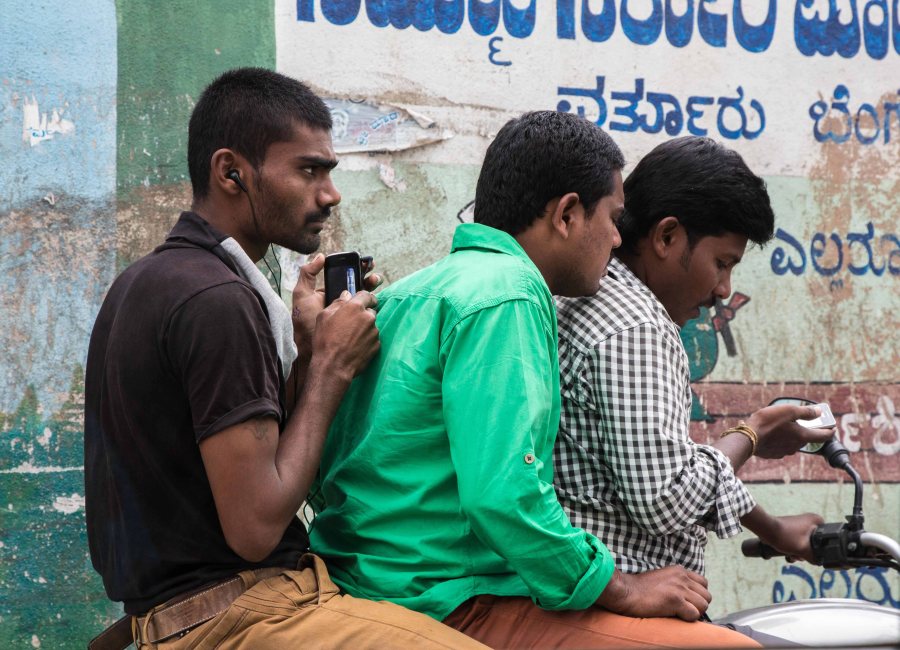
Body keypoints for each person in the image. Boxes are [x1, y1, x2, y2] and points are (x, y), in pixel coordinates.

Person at [309, 112, 760, 648]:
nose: (618, 238)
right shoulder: (510, 295)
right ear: (567, 214)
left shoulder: (410, 292)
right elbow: (504, 498)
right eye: (613, 218)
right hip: (452, 598)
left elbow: (330, 471)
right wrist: (622, 588)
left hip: (364, 583)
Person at [84, 67, 485, 650]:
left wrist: (307, 350)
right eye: (308, 170)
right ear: (231, 172)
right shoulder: (216, 300)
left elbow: (241, 466)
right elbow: (254, 528)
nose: (330, 193)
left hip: (192, 612)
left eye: (330, 171)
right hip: (240, 616)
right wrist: (331, 368)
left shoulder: (149, 280)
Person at [553, 136, 833, 642]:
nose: (723, 289)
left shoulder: (595, 294)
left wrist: (771, 526)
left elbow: (659, 460)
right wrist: (750, 432)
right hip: (617, 608)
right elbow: (667, 496)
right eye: (722, 263)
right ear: (667, 237)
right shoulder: (637, 326)